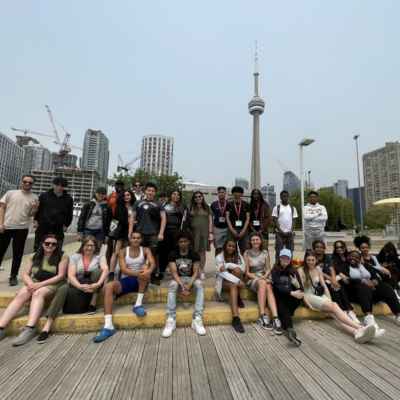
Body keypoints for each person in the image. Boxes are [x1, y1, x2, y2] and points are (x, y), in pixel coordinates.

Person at [0, 234, 69, 345]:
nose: (50, 246)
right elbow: (26, 274)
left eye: (53, 244)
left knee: (38, 293)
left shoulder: (62, 256)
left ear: (57, 245)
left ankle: (30, 328)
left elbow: (61, 275)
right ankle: (1, 327)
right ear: (42, 243)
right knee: (22, 293)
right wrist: (31, 283)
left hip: (54, 284)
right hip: (35, 282)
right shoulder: (34, 256)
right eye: (47, 243)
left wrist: (41, 284)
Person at [298, 250, 376, 343]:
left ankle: (356, 332)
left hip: (318, 294)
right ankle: (361, 327)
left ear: (316, 260)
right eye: (308, 260)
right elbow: (301, 291)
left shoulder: (318, 268)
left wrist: (329, 301)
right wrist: (310, 306)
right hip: (308, 297)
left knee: (334, 313)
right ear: (305, 260)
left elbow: (324, 286)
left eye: (313, 260)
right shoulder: (301, 270)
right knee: (334, 306)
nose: (311, 262)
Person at [93, 232, 156, 342]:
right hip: (127, 279)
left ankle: (138, 305)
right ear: (130, 239)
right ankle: (108, 325)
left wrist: (148, 272)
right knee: (109, 286)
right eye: (134, 238)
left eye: (138, 238)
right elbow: (123, 269)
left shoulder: (145, 250)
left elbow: (152, 263)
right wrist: (140, 273)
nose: (136, 240)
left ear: (141, 239)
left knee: (145, 266)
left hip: (141, 281)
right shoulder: (123, 251)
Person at [336, 250, 400, 332]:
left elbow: (374, 273)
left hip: (371, 292)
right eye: (352, 256)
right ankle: (368, 317)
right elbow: (344, 280)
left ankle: (398, 315)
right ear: (348, 257)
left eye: (356, 257)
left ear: (360, 259)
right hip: (356, 293)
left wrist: (375, 279)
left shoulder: (364, 265)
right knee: (363, 286)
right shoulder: (343, 266)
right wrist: (360, 281)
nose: (353, 258)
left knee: (385, 286)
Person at [162, 230, 206, 338]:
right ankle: (171, 319)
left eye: (185, 241)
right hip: (178, 280)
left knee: (200, 285)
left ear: (189, 241)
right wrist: (182, 285)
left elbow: (196, 273)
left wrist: (189, 285)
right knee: (172, 286)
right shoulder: (173, 254)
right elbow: (174, 273)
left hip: (191, 279)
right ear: (178, 242)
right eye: (181, 241)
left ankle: (197, 318)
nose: (183, 244)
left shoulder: (194, 254)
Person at [0, 174, 39, 286]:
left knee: (18, 253)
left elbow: (31, 214)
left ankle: (13, 276)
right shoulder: (10, 193)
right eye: (25, 181)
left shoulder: (34, 197)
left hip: (22, 228)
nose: (27, 184)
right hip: (6, 226)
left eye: (30, 183)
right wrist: (1, 223)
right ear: (22, 182)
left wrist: (35, 208)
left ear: (33, 184)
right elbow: (2, 208)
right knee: (0, 251)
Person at [243, 232, 283, 334]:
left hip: (263, 277)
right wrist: (260, 279)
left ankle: (275, 317)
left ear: (261, 241)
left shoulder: (265, 252)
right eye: (253, 240)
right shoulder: (246, 253)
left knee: (269, 287)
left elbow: (268, 269)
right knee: (263, 283)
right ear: (250, 242)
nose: (255, 242)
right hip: (252, 278)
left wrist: (265, 277)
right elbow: (247, 272)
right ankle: (262, 315)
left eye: (257, 240)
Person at [312, 240, 360, 323]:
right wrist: (331, 280)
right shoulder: (312, 258)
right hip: (320, 280)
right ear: (314, 248)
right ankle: (342, 311)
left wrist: (333, 279)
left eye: (321, 247)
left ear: (324, 249)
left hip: (330, 278)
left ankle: (349, 310)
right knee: (334, 289)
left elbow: (331, 268)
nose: (319, 249)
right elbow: (319, 272)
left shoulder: (327, 257)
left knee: (340, 287)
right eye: (317, 247)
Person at [128, 182, 166, 285]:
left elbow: (163, 219)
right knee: (139, 255)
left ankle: (152, 275)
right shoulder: (138, 203)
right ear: (145, 191)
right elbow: (132, 217)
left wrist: (161, 233)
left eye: (153, 191)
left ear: (155, 193)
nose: (150, 192)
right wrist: (130, 232)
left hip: (153, 233)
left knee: (152, 256)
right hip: (139, 233)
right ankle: (138, 274)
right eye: (149, 190)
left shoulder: (159, 205)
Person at [271, 249, 304, 346]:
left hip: (290, 299)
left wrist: (297, 285)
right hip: (280, 296)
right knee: (285, 314)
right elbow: (279, 286)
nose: (285, 259)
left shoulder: (294, 271)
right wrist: (292, 293)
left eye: (288, 258)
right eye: (283, 257)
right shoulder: (275, 270)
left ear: (290, 259)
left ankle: (289, 328)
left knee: (300, 296)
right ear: (280, 258)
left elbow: (301, 289)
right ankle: (290, 331)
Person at [157, 189, 189, 283]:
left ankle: (178, 274)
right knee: (163, 254)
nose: (176, 196)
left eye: (178, 195)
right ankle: (161, 273)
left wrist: (181, 235)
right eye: (174, 194)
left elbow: (185, 221)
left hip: (177, 234)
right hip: (165, 233)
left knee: (177, 255)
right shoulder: (163, 205)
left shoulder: (183, 207)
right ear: (171, 195)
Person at [33, 177, 73, 251]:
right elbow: (39, 210)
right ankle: (36, 262)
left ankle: (54, 262)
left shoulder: (68, 198)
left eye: (61, 186)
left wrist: (66, 225)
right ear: (53, 185)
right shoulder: (44, 195)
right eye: (57, 185)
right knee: (38, 248)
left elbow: (69, 213)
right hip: (43, 225)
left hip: (58, 227)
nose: (59, 188)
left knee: (57, 248)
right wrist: (36, 220)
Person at [215, 240, 246, 333]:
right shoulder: (219, 257)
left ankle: (237, 297)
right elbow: (223, 274)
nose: (231, 248)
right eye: (229, 246)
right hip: (224, 282)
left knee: (237, 270)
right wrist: (237, 281)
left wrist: (228, 265)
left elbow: (243, 269)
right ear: (225, 246)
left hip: (236, 279)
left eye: (233, 246)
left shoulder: (238, 256)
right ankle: (236, 319)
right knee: (233, 285)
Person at [108, 190, 136, 281]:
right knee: (115, 253)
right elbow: (120, 219)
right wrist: (133, 222)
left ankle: (122, 271)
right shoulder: (119, 206)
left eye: (128, 195)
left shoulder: (135, 206)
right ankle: (111, 273)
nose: (126, 197)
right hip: (119, 232)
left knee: (124, 254)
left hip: (129, 232)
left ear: (131, 196)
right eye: (124, 195)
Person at [189, 191, 213, 280]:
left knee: (202, 252)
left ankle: (202, 271)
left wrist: (210, 232)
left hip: (203, 233)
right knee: (192, 252)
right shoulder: (190, 207)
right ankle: (193, 270)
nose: (198, 198)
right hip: (192, 233)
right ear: (193, 198)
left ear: (202, 197)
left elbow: (210, 221)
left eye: (200, 196)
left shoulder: (207, 207)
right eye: (196, 197)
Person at [272, 190, 298, 260]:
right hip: (279, 233)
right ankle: (278, 267)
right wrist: (281, 231)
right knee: (279, 252)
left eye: (286, 196)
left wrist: (291, 231)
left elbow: (294, 220)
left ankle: (289, 267)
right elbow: (275, 220)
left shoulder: (293, 208)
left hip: (290, 233)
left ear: (288, 197)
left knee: (290, 252)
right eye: (283, 196)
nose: (284, 197)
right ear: (280, 197)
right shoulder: (276, 208)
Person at [105, 179, 126, 266]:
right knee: (110, 246)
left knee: (124, 247)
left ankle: (122, 267)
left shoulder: (126, 196)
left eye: (122, 185)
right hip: (113, 223)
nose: (120, 186)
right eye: (118, 184)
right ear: (115, 186)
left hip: (123, 223)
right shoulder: (109, 196)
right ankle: (108, 266)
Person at [226, 186, 250, 255]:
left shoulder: (246, 204)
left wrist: (244, 230)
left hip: (243, 229)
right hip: (232, 228)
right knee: (231, 248)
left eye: (239, 192)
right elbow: (227, 218)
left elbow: (248, 218)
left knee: (244, 249)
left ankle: (244, 264)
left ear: (241, 194)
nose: (237, 194)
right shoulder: (229, 204)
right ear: (233, 193)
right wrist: (231, 229)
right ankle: (232, 264)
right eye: (235, 192)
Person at [210, 186, 229, 257]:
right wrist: (211, 230)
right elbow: (211, 218)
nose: (221, 194)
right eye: (219, 192)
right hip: (217, 228)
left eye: (222, 192)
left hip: (227, 228)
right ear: (217, 194)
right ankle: (218, 265)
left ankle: (227, 266)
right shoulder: (213, 204)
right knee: (218, 248)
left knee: (227, 248)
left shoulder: (229, 204)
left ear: (225, 193)